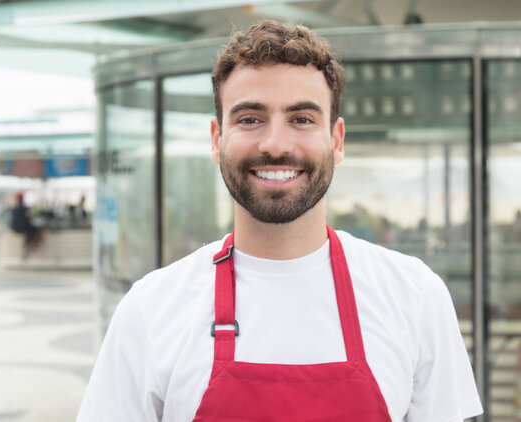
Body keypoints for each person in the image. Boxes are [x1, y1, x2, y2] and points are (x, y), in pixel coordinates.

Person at [77, 21, 483, 421]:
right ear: (217, 140)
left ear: (336, 141)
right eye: (250, 119)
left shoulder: (414, 296)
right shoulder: (150, 310)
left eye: (302, 119)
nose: (275, 144)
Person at [10, 192, 42, 257]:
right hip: (24, 228)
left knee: (29, 233)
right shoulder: (25, 208)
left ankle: (27, 246)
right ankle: (30, 247)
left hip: (15, 228)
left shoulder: (14, 208)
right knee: (37, 231)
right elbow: (30, 217)